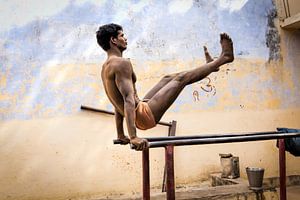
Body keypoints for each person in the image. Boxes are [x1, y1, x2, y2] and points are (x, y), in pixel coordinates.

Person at [96, 23, 234, 150]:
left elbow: (116, 103)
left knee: (167, 78)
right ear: (113, 40)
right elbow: (127, 100)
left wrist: (121, 134)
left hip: (141, 108)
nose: (125, 38)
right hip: (143, 116)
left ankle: (209, 66)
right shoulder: (121, 63)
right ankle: (225, 58)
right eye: (122, 35)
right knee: (181, 79)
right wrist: (133, 137)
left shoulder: (105, 67)